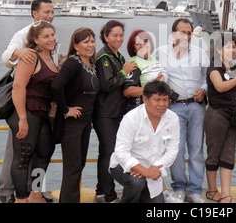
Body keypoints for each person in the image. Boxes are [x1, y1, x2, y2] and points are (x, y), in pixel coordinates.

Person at [0, 0, 55, 203]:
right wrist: (18, 51)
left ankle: (35, 193)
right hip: (25, 108)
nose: (50, 15)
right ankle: (11, 194)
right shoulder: (23, 37)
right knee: (19, 155)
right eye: (46, 12)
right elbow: (9, 64)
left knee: (44, 151)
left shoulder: (50, 41)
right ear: (35, 14)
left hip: (43, 109)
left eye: (52, 12)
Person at [156, 18, 209, 203]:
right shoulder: (160, 53)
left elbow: (206, 77)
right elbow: (155, 77)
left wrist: (203, 90)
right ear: (173, 34)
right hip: (173, 108)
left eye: (189, 33)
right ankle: (178, 187)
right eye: (182, 32)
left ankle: (194, 190)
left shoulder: (201, 54)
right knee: (176, 150)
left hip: (196, 106)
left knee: (196, 150)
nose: (186, 36)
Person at [204, 33, 236, 203]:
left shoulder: (233, 68)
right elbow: (220, 87)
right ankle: (212, 191)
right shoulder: (214, 67)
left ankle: (226, 195)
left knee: (228, 155)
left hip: (231, 115)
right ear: (219, 49)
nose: (232, 49)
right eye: (228, 46)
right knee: (214, 154)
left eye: (234, 46)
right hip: (216, 115)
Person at [51, 28, 101, 203]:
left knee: (79, 165)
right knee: (72, 168)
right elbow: (56, 86)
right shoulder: (73, 63)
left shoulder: (91, 64)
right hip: (71, 125)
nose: (90, 45)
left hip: (85, 123)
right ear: (76, 45)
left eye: (92, 41)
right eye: (85, 42)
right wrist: (66, 110)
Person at [109, 80, 180, 203]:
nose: (162, 104)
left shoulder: (173, 118)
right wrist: (144, 170)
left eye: (165, 100)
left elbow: (172, 150)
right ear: (145, 100)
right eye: (157, 100)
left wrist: (154, 168)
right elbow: (121, 152)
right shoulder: (131, 118)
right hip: (123, 164)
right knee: (136, 183)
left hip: (153, 168)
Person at [92, 20, 137, 203]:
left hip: (116, 112)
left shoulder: (118, 56)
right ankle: (108, 196)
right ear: (105, 36)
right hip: (105, 113)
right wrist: (124, 72)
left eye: (121, 35)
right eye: (114, 35)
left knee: (108, 152)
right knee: (108, 153)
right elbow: (107, 85)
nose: (118, 39)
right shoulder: (104, 57)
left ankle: (101, 191)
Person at [123, 29, 167, 113]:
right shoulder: (133, 63)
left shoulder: (156, 60)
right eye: (138, 43)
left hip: (157, 109)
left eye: (145, 41)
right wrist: (150, 88)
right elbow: (127, 91)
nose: (143, 45)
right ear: (134, 48)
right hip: (140, 111)